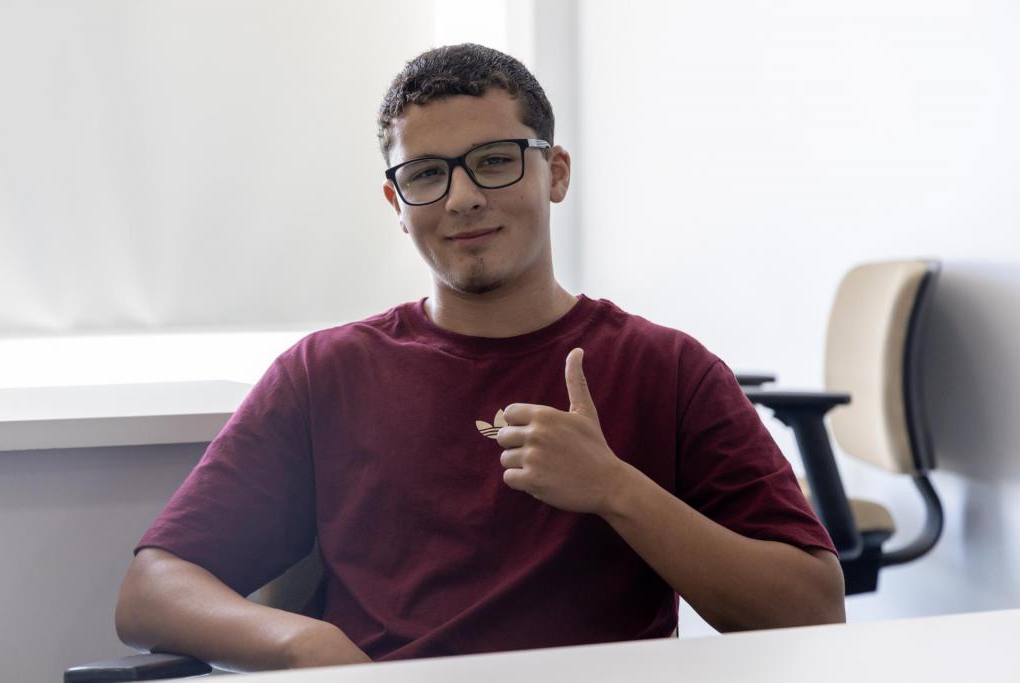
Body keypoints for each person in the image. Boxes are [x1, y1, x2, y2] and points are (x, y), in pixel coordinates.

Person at [115, 43, 845, 672]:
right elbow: (153, 590)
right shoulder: (326, 372)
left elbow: (813, 610)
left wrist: (616, 488)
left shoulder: (669, 369)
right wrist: (302, 644)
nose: (461, 198)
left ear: (554, 172)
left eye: (494, 161)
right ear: (396, 203)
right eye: (427, 174)